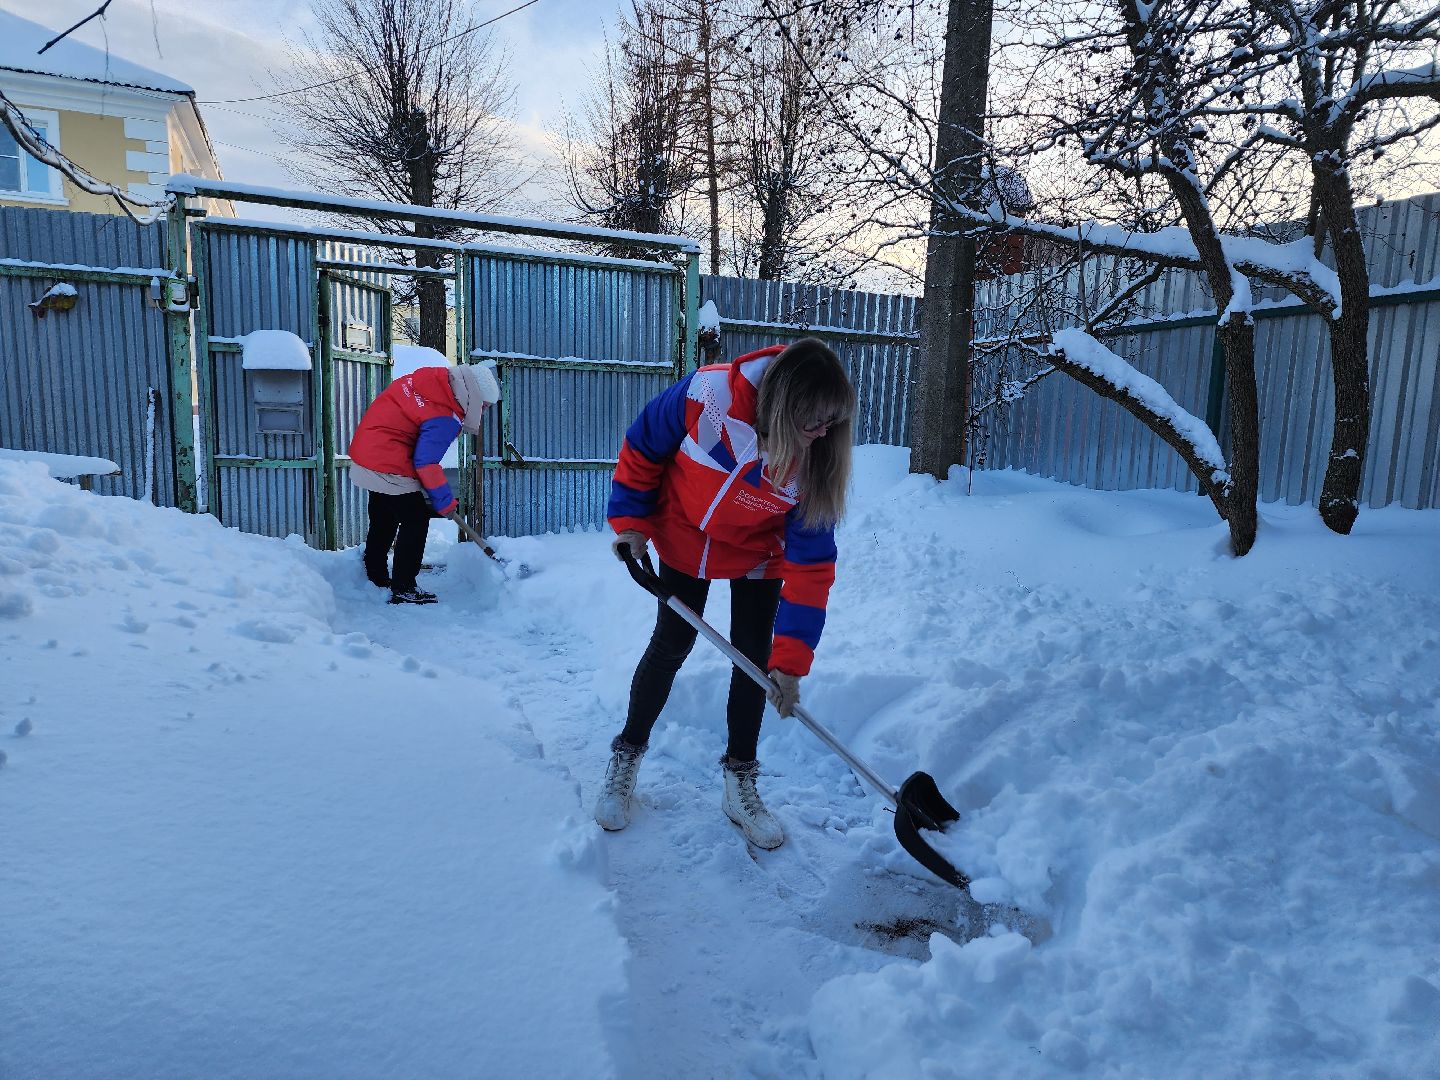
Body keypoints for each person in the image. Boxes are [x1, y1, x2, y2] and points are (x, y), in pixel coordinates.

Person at [597, 337, 855, 849]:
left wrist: (791, 664)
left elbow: (812, 569)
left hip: (758, 554)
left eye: (833, 422)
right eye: (814, 422)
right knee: (672, 643)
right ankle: (626, 756)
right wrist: (631, 522)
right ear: (782, 408)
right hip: (683, 534)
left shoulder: (813, 460)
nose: (824, 434)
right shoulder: (707, 395)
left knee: (753, 661)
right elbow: (644, 446)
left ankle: (740, 781)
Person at [348, 363, 500, 605]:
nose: (483, 411)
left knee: (384, 513)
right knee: (416, 518)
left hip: (368, 453)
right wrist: (445, 502)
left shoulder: (426, 382)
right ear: (473, 396)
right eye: (484, 406)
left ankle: (374, 572)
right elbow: (426, 462)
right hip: (389, 462)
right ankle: (404, 587)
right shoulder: (446, 416)